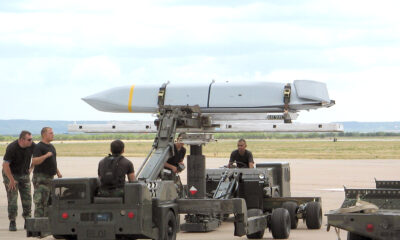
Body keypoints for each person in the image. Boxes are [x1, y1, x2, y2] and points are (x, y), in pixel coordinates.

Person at [2, 130, 35, 231]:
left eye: (31, 139)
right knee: (12, 198)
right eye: (29, 139)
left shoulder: (32, 145)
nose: (31, 141)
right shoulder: (12, 148)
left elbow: (37, 157)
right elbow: (5, 165)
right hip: (11, 174)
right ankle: (12, 221)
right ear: (22, 140)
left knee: (27, 198)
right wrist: (11, 180)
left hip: (24, 173)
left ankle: (27, 220)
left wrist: (31, 168)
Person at [31, 127, 62, 217]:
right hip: (41, 179)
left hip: (50, 178)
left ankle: (46, 224)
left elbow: (53, 161)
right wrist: (45, 156)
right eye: (50, 133)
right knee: (40, 203)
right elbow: (34, 161)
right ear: (44, 135)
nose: (53, 135)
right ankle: (38, 225)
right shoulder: (39, 147)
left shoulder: (51, 147)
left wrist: (58, 172)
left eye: (52, 133)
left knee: (49, 202)